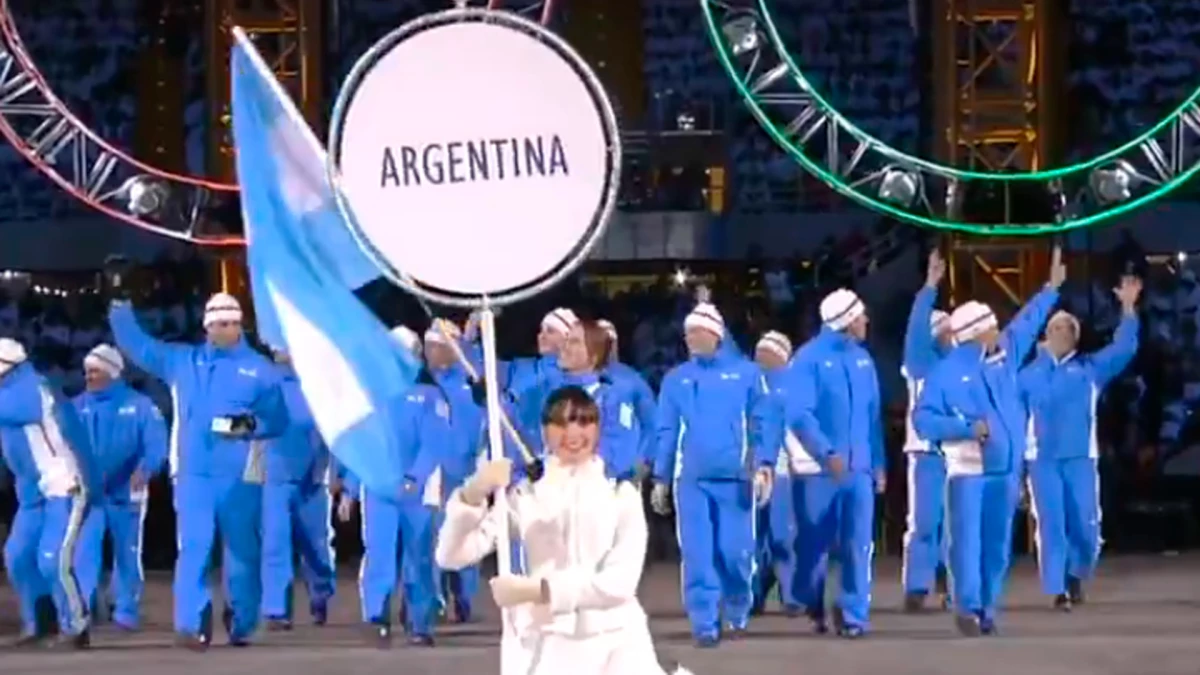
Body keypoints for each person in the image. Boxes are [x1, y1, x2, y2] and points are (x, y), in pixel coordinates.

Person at [435, 385, 692, 675]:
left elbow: (620, 583)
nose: (573, 434)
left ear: (597, 429)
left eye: (583, 422)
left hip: (618, 643)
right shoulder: (526, 496)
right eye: (561, 423)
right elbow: (451, 556)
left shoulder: (620, 494)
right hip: (550, 644)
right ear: (545, 430)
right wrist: (472, 494)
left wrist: (540, 590)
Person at [105, 266, 289, 650]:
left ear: (240, 326)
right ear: (205, 327)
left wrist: (246, 424)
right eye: (216, 323)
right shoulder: (183, 362)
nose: (222, 330)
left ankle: (242, 620)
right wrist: (119, 303)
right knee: (194, 548)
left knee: (241, 554)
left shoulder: (260, 370)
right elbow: (139, 347)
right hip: (192, 474)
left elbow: (278, 420)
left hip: (241, 476)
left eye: (229, 323)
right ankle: (192, 623)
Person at [914, 246, 1064, 636]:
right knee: (966, 544)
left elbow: (1028, 322)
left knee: (997, 547)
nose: (1000, 330)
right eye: (992, 326)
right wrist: (965, 427)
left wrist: (1051, 289)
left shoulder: (1006, 354)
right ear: (976, 332)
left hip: (1005, 470)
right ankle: (968, 606)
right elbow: (924, 419)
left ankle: (987, 608)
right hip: (968, 472)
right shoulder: (946, 371)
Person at [649, 302, 775, 646]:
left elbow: (762, 421)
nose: (690, 338)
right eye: (687, 332)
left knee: (735, 553)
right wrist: (660, 478)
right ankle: (704, 621)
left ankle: (737, 606)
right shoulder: (677, 380)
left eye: (697, 331)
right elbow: (666, 430)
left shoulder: (748, 375)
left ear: (715, 334)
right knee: (698, 553)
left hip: (736, 478)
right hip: (691, 481)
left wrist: (764, 464)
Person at [1022, 275, 1141, 610]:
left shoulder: (1090, 370)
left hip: (1081, 460)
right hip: (1042, 461)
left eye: (1068, 329)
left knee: (1087, 527)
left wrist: (1128, 308)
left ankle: (1076, 573)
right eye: (1056, 328)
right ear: (1045, 335)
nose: (1061, 333)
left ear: (1075, 338)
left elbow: (1125, 348)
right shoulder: (1028, 375)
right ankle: (1058, 588)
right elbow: (1012, 419)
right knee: (1052, 525)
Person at [785, 288, 886, 638]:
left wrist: (878, 463)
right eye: (860, 316)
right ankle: (811, 600)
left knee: (858, 544)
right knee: (814, 547)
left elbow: (872, 417)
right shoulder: (808, 359)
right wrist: (826, 453)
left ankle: (852, 614)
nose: (866, 321)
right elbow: (798, 414)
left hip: (857, 470)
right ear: (846, 320)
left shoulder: (863, 360)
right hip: (820, 473)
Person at [339, 325, 447, 647]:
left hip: (418, 491)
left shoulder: (430, 396)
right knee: (379, 554)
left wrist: (416, 476)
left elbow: (434, 442)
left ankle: (420, 622)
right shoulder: (371, 397)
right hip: (380, 489)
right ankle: (376, 616)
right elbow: (362, 446)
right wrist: (349, 488)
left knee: (420, 557)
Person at [0, 337, 95, 649]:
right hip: (33, 493)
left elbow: (15, 411)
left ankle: (76, 625)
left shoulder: (32, 388)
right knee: (17, 557)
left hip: (63, 486)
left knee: (52, 560)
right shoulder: (11, 389)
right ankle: (41, 623)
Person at [72, 343, 168, 632]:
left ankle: (126, 610)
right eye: (87, 371)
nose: (89, 377)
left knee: (127, 553)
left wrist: (147, 467)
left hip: (127, 492)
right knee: (83, 552)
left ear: (113, 372)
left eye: (96, 371)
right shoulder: (78, 406)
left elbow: (156, 443)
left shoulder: (140, 405)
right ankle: (85, 609)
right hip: (90, 495)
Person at [261, 350, 337, 630]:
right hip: (276, 478)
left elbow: (335, 431)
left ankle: (321, 592)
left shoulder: (318, 384)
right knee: (275, 543)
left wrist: (336, 472)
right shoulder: (266, 382)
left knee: (315, 547)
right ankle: (277, 608)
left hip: (312, 481)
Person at [510, 319, 641, 481]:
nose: (565, 346)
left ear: (594, 356)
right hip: (544, 492)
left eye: (574, 342)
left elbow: (621, 449)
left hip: (592, 493)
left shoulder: (613, 399)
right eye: (566, 339)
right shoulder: (542, 390)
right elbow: (517, 427)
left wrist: (576, 472)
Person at [421, 318, 486, 623]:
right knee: (433, 538)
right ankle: (436, 600)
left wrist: (472, 331)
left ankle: (464, 597)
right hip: (435, 472)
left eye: (438, 346)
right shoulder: (422, 382)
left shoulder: (471, 378)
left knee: (463, 535)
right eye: (429, 346)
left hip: (466, 470)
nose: (432, 352)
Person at [901, 250, 954, 611]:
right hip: (925, 453)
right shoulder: (920, 363)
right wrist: (930, 286)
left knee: (956, 526)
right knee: (923, 522)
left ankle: (953, 584)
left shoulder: (965, 366)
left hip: (961, 453)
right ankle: (918, 586)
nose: (953, 335)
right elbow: (915, 333)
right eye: (947, 330)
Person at [749, 331, 798, 616]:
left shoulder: (791, 386)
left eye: (768, 352)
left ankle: (792, 594)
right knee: (753, 537)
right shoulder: (750, 384)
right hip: (751, 470)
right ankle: (753, 593)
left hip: (784, 471)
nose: (761, 357)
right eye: (759, 351)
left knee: (783, 536)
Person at [596, 319, 657, 470]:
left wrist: (644, 459)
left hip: (626, 471)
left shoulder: (632, 380)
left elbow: (652, 423)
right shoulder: (577, 379)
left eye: (611, 341)